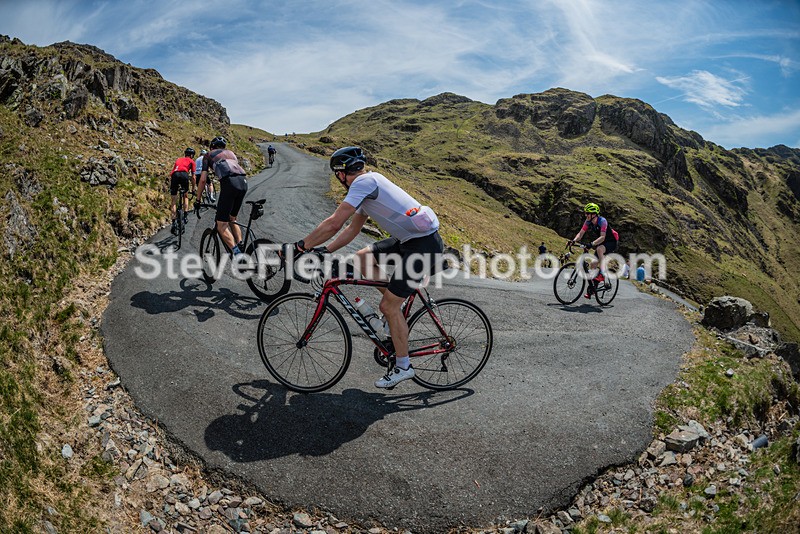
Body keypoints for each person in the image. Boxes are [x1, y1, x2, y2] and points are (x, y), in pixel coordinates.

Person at [283, 146, 443, 389]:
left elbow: (334, 223)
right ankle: (394, 315)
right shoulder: (368, 185)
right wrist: (326, 250)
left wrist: (300, 247)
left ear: (341, 173)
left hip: (423, 246)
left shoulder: (363, 183)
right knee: (362, 258)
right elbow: (351, 229)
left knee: (388, 305)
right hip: (411, 241)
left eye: (338, 175)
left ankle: (403, 366)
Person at [196, 136, 248, 255]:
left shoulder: (208, 155)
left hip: (229, 183)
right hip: (244, 182)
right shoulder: (231, 154)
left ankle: (238, 255)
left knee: (221, 225)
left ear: (212, 147)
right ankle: (241, 245)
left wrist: (198, 200)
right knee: (232, 218)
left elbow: (203, 180)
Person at [569, 202, 619, 298]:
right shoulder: (588, 221)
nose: (586, 215)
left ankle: (603, 273)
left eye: (588, 213)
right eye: (585, 213)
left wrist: (591, 244)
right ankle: (593, 289)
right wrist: (573, 241)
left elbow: (603, 237)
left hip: (611, 241)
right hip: (602, 242)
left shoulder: (602, 221)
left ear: (594, 214)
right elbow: (580, 233)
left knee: (599, 249)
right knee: (593, 265)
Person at [169, 148, 196, 234]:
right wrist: (193, 188)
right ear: (191, 155)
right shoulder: (192, 162)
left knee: (173, 200)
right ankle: (185, 216)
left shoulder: (178, 159)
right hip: (184, 175)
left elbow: (173, 172)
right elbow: (193, 177)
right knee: (185, 196)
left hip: (175, 175)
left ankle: (173, 223)